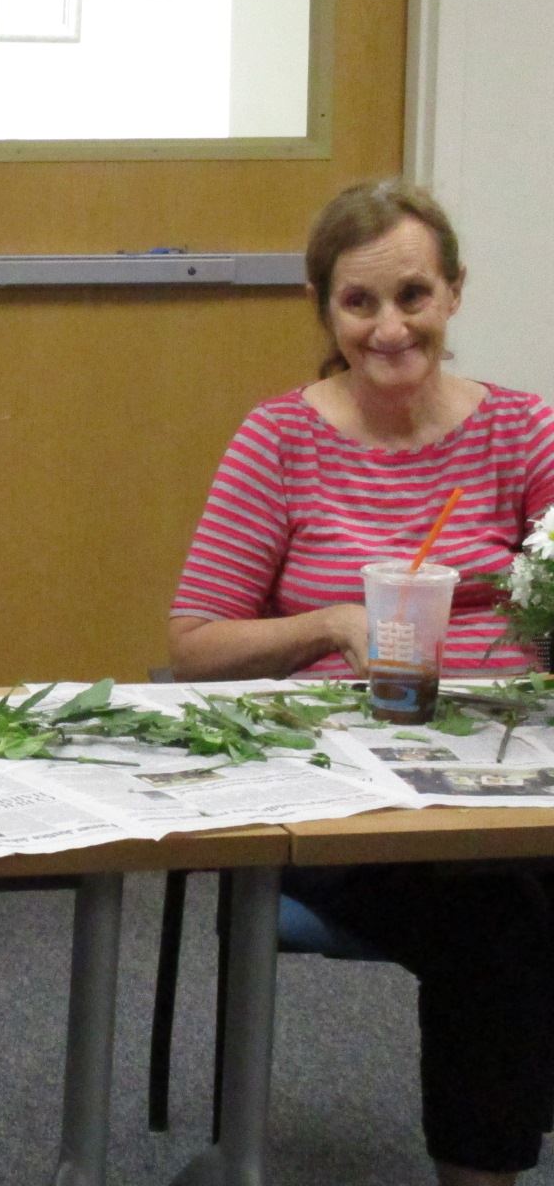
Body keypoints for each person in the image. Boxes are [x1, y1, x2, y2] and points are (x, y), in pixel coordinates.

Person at [169, 180, 554, 1186]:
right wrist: (332, 624)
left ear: (453, 295)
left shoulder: (523, 434)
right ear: (322, 308)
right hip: (342, 803)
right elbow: (192, 644)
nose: (388, 328)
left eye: (413, 296)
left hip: (510, 781)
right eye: (358, 304)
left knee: (517, 888)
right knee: (498, 920)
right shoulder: (279, 441)